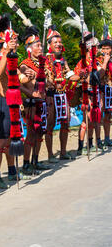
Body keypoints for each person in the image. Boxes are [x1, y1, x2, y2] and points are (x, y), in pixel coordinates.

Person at [0, 15, 26, 189]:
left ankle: (12, 171)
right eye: (13, 40)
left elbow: (20, 78)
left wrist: (29, 76)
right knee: (2, 141)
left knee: (12, 140)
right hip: (4, 102)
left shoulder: (13, 58)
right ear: (5, 42)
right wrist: (6, 52)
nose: (17, 43)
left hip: (13, 101)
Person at [18, 26, 51, 175]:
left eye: (41, 44)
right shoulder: (25, 65)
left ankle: (35, 161)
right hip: (31, 104)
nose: (41, 47)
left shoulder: (43, 63)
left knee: (40, 133)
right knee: (31, 133)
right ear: (30, 49)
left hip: (42, 103)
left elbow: (49, 83)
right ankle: (26, 164)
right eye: (37, 45)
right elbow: (21, 85)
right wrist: (31, 94)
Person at [44, 25, 80, 160]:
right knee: (50, 123)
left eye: (60, 42)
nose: (59, 45)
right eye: (56, 42)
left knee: (65, 122)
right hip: (50, 96)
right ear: (49, 45)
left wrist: (82, 75)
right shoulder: (45, 60)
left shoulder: (63, 61)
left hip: (62, 95)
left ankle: (63, 152)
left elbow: (71, 76)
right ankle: (49, 154)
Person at [73, 32, 103, 155]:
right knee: (87, 120)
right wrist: (84, 78)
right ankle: (81, 146)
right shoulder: (82, 62)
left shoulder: (97, 60)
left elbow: (101, 75)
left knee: (94, 119)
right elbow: (77, 77)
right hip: (85, 93)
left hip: (96, 92)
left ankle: (90, 143)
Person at [98, 33, 112, 147]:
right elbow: (100, 75)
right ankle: (98, 140)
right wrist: (105, 61)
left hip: (110, 90)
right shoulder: (98, 59)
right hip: (102, 90)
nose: (105, 50)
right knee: (100, 114)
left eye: (108, 48)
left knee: (108, 115)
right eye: (103, 48)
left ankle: (107, 138)